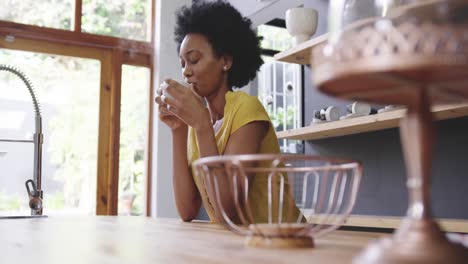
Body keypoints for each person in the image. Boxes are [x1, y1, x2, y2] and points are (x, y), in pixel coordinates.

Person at [155, 0, 299, 223]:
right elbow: (187, 211)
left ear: (225, 61)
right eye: (182, 63)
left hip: (284, 244)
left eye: (193, 60)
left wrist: (202, 126)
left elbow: (228, 211)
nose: (186, 72)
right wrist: (179, 129)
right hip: (239, 249)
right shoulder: (197, 122)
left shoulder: (247, 109)